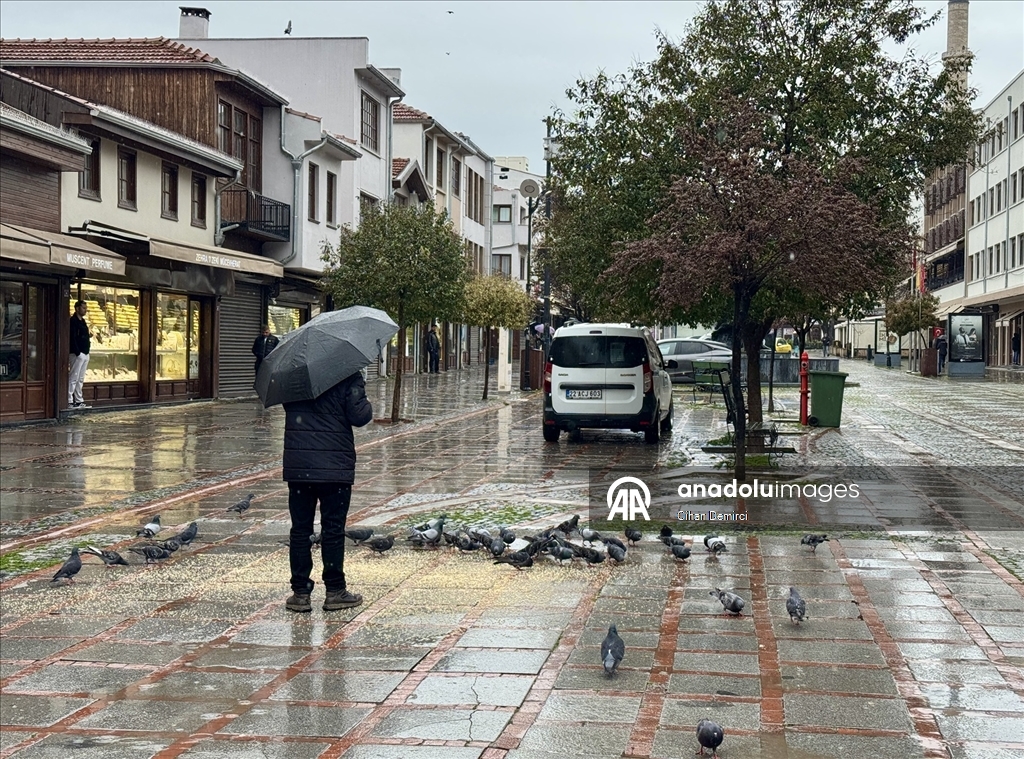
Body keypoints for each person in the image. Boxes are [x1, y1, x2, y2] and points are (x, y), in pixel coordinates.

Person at [282, 370, 372, 612]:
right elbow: (360, 416)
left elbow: (289, 408)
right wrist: (362, 395)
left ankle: (300, 594)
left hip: (300, 467)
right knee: (332, 529)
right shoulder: (347, 374)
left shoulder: (293, 375)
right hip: (335, 468)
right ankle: (335, 591)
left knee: (300, 530)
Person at [68, 300, 91, 409]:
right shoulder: (73, 321)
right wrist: (77, 352)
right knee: (74, 377)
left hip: (85, 353)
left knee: (80, 378)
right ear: (77, 308)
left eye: (86, 308)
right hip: (77, 354)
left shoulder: (83, 322)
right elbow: (72, 338)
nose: (85, 310)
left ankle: (78, 400)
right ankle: (69, 400)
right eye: (83, 308)